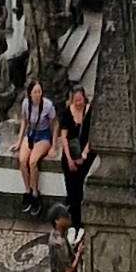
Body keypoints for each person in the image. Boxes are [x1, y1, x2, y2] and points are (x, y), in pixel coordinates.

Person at [17, 76, 58, 214]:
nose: (38, 94)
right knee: (23, 160)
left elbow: (55, 125)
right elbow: (24, 121)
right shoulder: (26, 104)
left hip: (43, 135)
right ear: (30, 93)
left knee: (33, 161)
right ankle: (27, 190)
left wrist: (53, 146)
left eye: (39, 91)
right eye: (35, 92)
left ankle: (35, 193)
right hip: (30, 134)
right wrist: (19, 141)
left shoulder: (47, 105)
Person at [58, 83, 94, 229]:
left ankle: (79, 222)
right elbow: (64, 137)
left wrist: (84, 155)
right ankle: (73, 220)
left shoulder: (89, 111)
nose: (79, 103)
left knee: (78, 189)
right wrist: (69, 159)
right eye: (76, 100)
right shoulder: (67, 113)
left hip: (85, 154)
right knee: (71, 188)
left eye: (81, 100)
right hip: (70, 154)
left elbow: (92, 135)